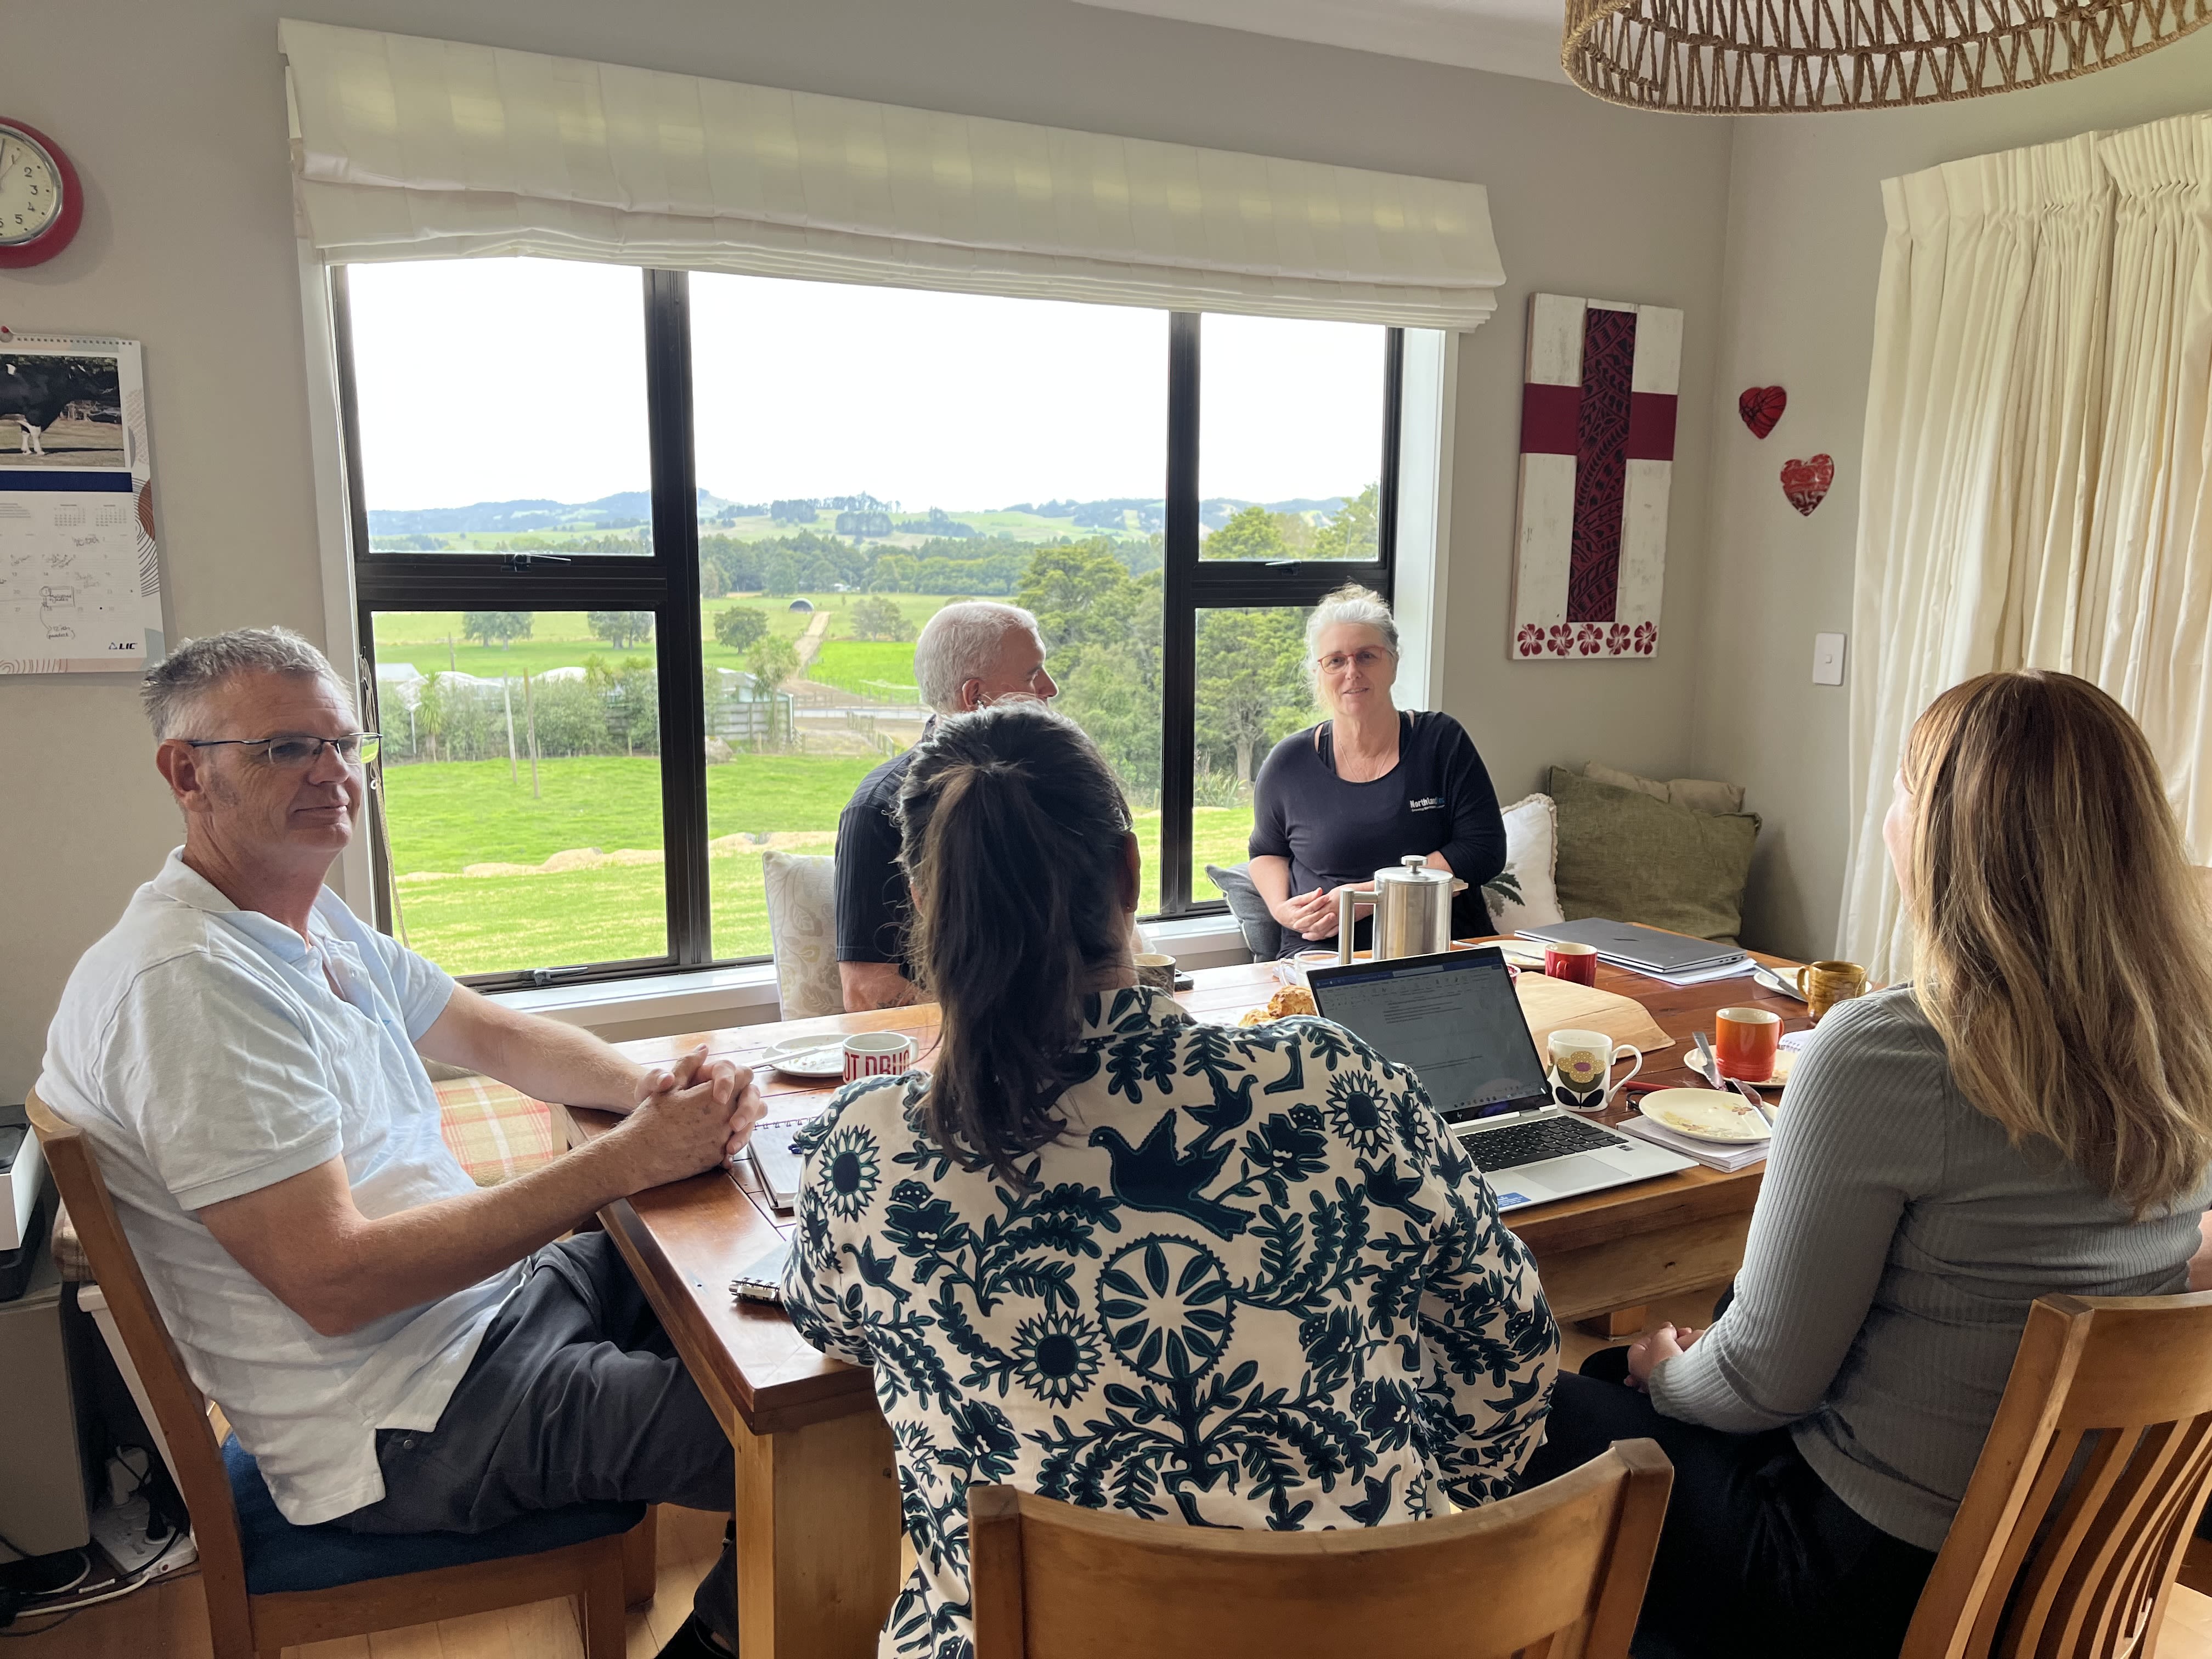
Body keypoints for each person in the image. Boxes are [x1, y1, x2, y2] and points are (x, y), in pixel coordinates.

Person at [37, 628, 765, 1659]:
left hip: (486, 1312)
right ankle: (734, 1626)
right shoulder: (187, 986)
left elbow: (493, 1031)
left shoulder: (299, 916)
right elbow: (333, 1278)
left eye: (344, 743)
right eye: (287, 748)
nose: (332, 772)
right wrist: (627, 1157)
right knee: (827, 1423)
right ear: (185, 772)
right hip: (412, 1415)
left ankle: (761, 1576)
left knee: (750, 1265)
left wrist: (658, 1092)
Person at [783, 702, 1558, 1659]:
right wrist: (1429, 1516)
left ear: (921, 895)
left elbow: (827, 1321)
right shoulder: (1330, 1077)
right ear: (1128, 873)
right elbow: (1512, 1350)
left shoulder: (869, 1149)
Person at [1523, 669, 2212, 1659]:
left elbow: (1764, 1380)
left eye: (1900, 786)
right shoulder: (2181, 1043)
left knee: (1554, 1397)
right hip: (2062, 1560)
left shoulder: (1898, 1052)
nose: (1888, 813)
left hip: (1860, 1578)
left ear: (1941, 838)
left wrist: (1660, 1370)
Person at [1248, 584, 1505, 955]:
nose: (1352, 671)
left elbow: (1484, 850)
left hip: (1441, 951)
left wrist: (1365, 898)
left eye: (1367, 656)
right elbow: (1265, 852)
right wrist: (1281, 910)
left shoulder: (1441, 741)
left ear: (1393, 662)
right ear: (1318, 673)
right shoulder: (1289, 762)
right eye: (1335, 661)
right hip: (1323, 957)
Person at [833, 600, 1057, 1011]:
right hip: (956, 1053)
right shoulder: (878, 812)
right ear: (977, 698)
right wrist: (993, 1035)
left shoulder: (1059, 786)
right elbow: (867, 991)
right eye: (1032, 674)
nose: (1050, 687)